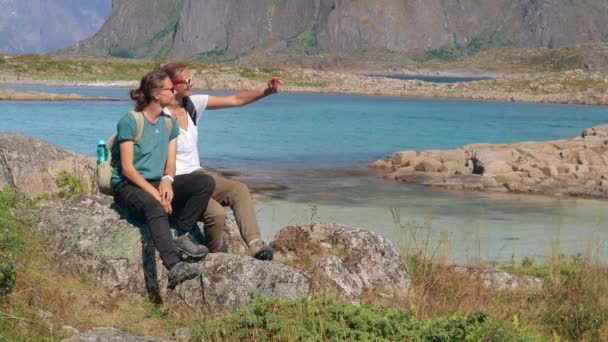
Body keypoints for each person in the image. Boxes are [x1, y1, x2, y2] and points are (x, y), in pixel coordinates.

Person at [160, 62, 279, 260]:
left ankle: (255, 245)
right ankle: (217, 258)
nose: (192, 83)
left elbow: (235, 99)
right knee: (216, 214)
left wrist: (267, 91)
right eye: (188, 80)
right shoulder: (159, 115)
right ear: (172, 85)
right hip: (177, 181)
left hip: (199, 176)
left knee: (238, 189)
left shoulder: (192, 104)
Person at [111, 70, 216, 289]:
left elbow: (170, 165)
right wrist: (156, 194)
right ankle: (174, 266)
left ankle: (180, 232)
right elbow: (128, 169)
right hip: (128, 185)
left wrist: (167, 181)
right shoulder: (130, 121)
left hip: (157, 181)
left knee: (204, 183)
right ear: (157, 94)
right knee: (155, 207)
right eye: (169, 88)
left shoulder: (169, 124)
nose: (174, 91)